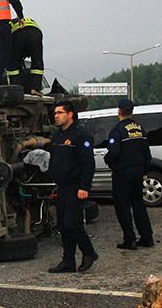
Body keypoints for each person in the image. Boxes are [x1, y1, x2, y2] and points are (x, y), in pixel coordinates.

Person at [48, 100, 98, 273]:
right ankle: (68, 261)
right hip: (62, 187)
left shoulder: (80, 135)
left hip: (76, 187)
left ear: (70, 114)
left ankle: (89, 252)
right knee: (62, 225)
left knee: (72, 223)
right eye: (55, 113)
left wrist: (84, 186)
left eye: (60, 112)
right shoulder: (58, 135)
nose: (56, 116)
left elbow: (88, 163)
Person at [104, 99, 154, 250]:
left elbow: (114, 152)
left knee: (123, 206)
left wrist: (108, 160)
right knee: (138, 204)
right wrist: (144, 171)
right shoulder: (140, 129)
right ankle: (147, 237)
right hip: (138, 171)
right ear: (132, 111)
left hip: (123, 172)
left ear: (118, 111)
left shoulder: (117, 130)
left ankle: (129, 239)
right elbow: (147, 153)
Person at [6, 17, 44, 95]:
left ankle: (15, 90)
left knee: (12, 65)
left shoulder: (7, 25)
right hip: (35, 33)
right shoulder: (29, 21)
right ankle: (35, 88)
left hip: (17, 34)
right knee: (37, 61)